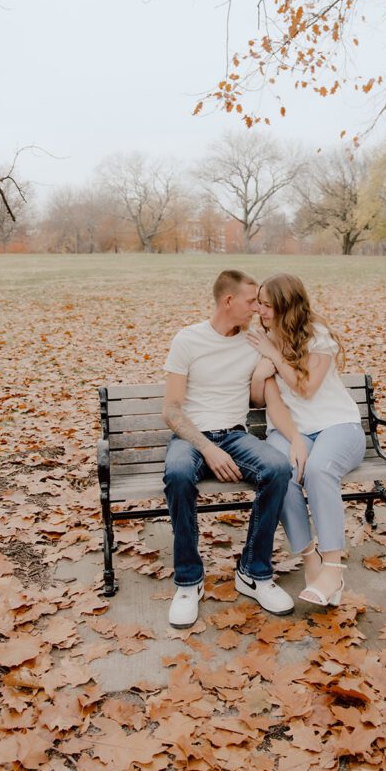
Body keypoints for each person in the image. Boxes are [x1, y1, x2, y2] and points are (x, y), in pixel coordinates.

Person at [162, 269, 295, 628]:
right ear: (228, 301)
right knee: (177, 473)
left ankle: (254, 572)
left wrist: (260, 373)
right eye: (252, 301)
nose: (257, 308)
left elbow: (259, 397)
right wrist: (208, 449)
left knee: (278, 468)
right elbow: (171, 409)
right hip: (192, 438)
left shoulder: (253, 341)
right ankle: (189, 581)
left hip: (236, 435)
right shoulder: (188, 340)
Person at [248, 273, 366, 607]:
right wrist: (259, 375)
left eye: (269, 305)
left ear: (288, 306)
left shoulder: (318, 336)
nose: (261, 310)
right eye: (260, 302)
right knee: (278, 473)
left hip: (337, 426)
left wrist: (273, 353)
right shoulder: (261, 338)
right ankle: (310, 559)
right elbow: (262, 400)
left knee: (318, 470)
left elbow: (306, 387)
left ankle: (332, 567)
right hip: (290, 430)